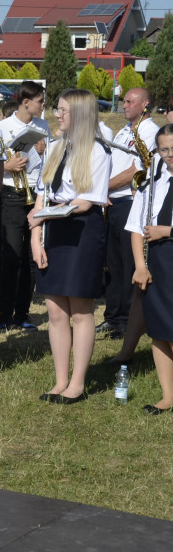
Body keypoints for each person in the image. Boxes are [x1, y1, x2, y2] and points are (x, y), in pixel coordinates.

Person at [29, 89, 112, 404]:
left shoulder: (97, 152)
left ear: (79, 113)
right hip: (54, 229)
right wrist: (36, 238)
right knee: (54, 309)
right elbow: (42, 192)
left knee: (80, 310)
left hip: (81, 232)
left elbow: (84, 201)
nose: (57, 115)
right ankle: (60, 380)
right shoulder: (56, 146)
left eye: (63, 110)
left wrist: (42, 217)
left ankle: (77, 383)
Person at [101, 87, 158, 339]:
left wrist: (103, 189)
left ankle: (125, 319)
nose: (123, 105)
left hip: (128, 202)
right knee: (112, 264)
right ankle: (112, 316)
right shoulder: (125, 131)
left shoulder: (150, 131)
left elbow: (135, 171)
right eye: (123, 101)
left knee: (126, 264)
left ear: (145, 104)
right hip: (112, 201)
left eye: (129, 101)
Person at [0, 81, 50, 331]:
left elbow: (46, 163)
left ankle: (22, 313)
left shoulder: (43, 126)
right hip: (10, 194)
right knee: (10, 255)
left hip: (34, 194)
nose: (43, 105)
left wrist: (42, 152)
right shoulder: (1, 127)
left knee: (29, 255)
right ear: (26, 102)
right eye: (40, 101)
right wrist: (8, 167)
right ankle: (4, 314)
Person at [128, 124, 173, 414]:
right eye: (164, 149)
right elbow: (136, 227)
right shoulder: (153, 181)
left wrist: (167, 231)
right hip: (157, 261)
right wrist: (140, 266)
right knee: (159, 330)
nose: (170, 155)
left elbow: (158, 229)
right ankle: (168, 396)